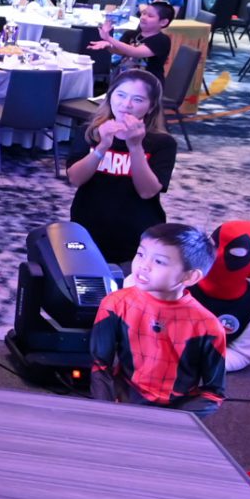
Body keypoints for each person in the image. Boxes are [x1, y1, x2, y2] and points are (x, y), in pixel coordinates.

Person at [88, 222, 226, 413]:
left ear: (190, 277)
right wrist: (106, 410)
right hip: (124, 398)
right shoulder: (115, 303)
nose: (144, 266)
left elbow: (213, 394)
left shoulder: (208, 327)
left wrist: (172, 420)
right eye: (140, 254)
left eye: (159, 261)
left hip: (177, 410)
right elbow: (100, 366)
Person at [64, 67, 175, 268]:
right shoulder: (90, 132)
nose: (126, 105)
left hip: (136, 231)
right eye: (121, 95)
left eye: (137, 99)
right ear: (110, 97)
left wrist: (135, 147)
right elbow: (75, 179)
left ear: (151, 107)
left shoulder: (162, 143)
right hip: (89, 222)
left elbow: (147, 191)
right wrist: (102, 146)